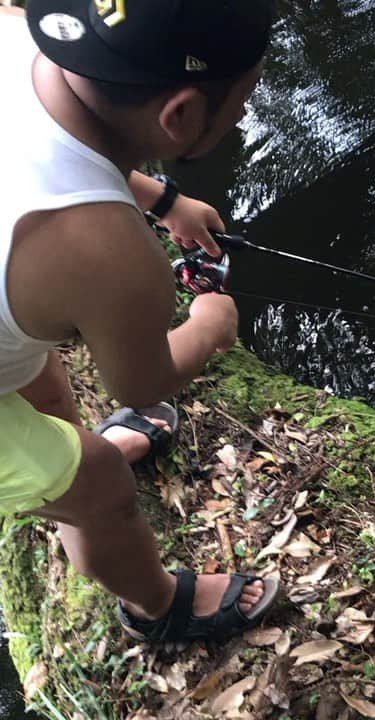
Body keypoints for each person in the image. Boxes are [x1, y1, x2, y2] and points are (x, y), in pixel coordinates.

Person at [0, 0, 279, 643]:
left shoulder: (18, 32)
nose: (239, 117)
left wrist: (161, 197)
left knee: (38, 369)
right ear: (180, 114)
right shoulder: (106, 250)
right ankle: (159, 607)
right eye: (242, 104)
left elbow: (58, 129)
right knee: (96, 485)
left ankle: (71, 446)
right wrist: (208, 324)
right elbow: (141, 380)